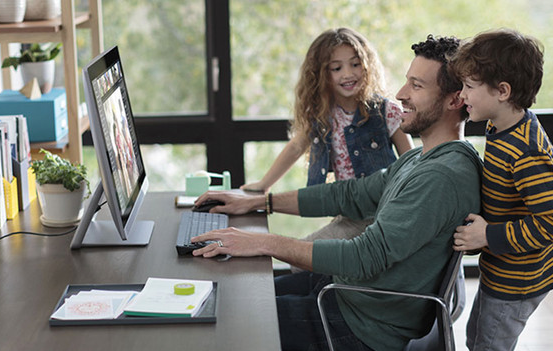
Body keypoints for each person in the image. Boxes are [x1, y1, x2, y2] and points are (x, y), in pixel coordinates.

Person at [191, 35, 481, 351]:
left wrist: (262, 242)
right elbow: (348, 194)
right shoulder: (419, 158)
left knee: (227, 317)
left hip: (359, 326)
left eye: (417, 86)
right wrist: (260, 202)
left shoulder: (440, 177)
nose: (400, 94)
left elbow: (365, 256)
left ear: (455, 100)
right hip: (348, 293)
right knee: (233, 293)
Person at [242, 27, 414, 243]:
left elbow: (413, 161)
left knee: (305, 256)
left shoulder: (384, 111)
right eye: (336, 68)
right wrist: (264, 184)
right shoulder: (322, 117)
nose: (348, 74)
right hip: (347, 213)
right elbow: (296, 147)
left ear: (367, 66)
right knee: (304, 260)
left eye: (355, 64)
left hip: (382, 212)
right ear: (322, 74)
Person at [450, 28, 553, 351]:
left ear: (503, 91)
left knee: (488, 346)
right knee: (474, 338)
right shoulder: (501, 126)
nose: (462, 95)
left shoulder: (526, 152)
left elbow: (549, 224)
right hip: (499, 270)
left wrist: (487, 235)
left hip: (518, 280)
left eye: (468, 86)